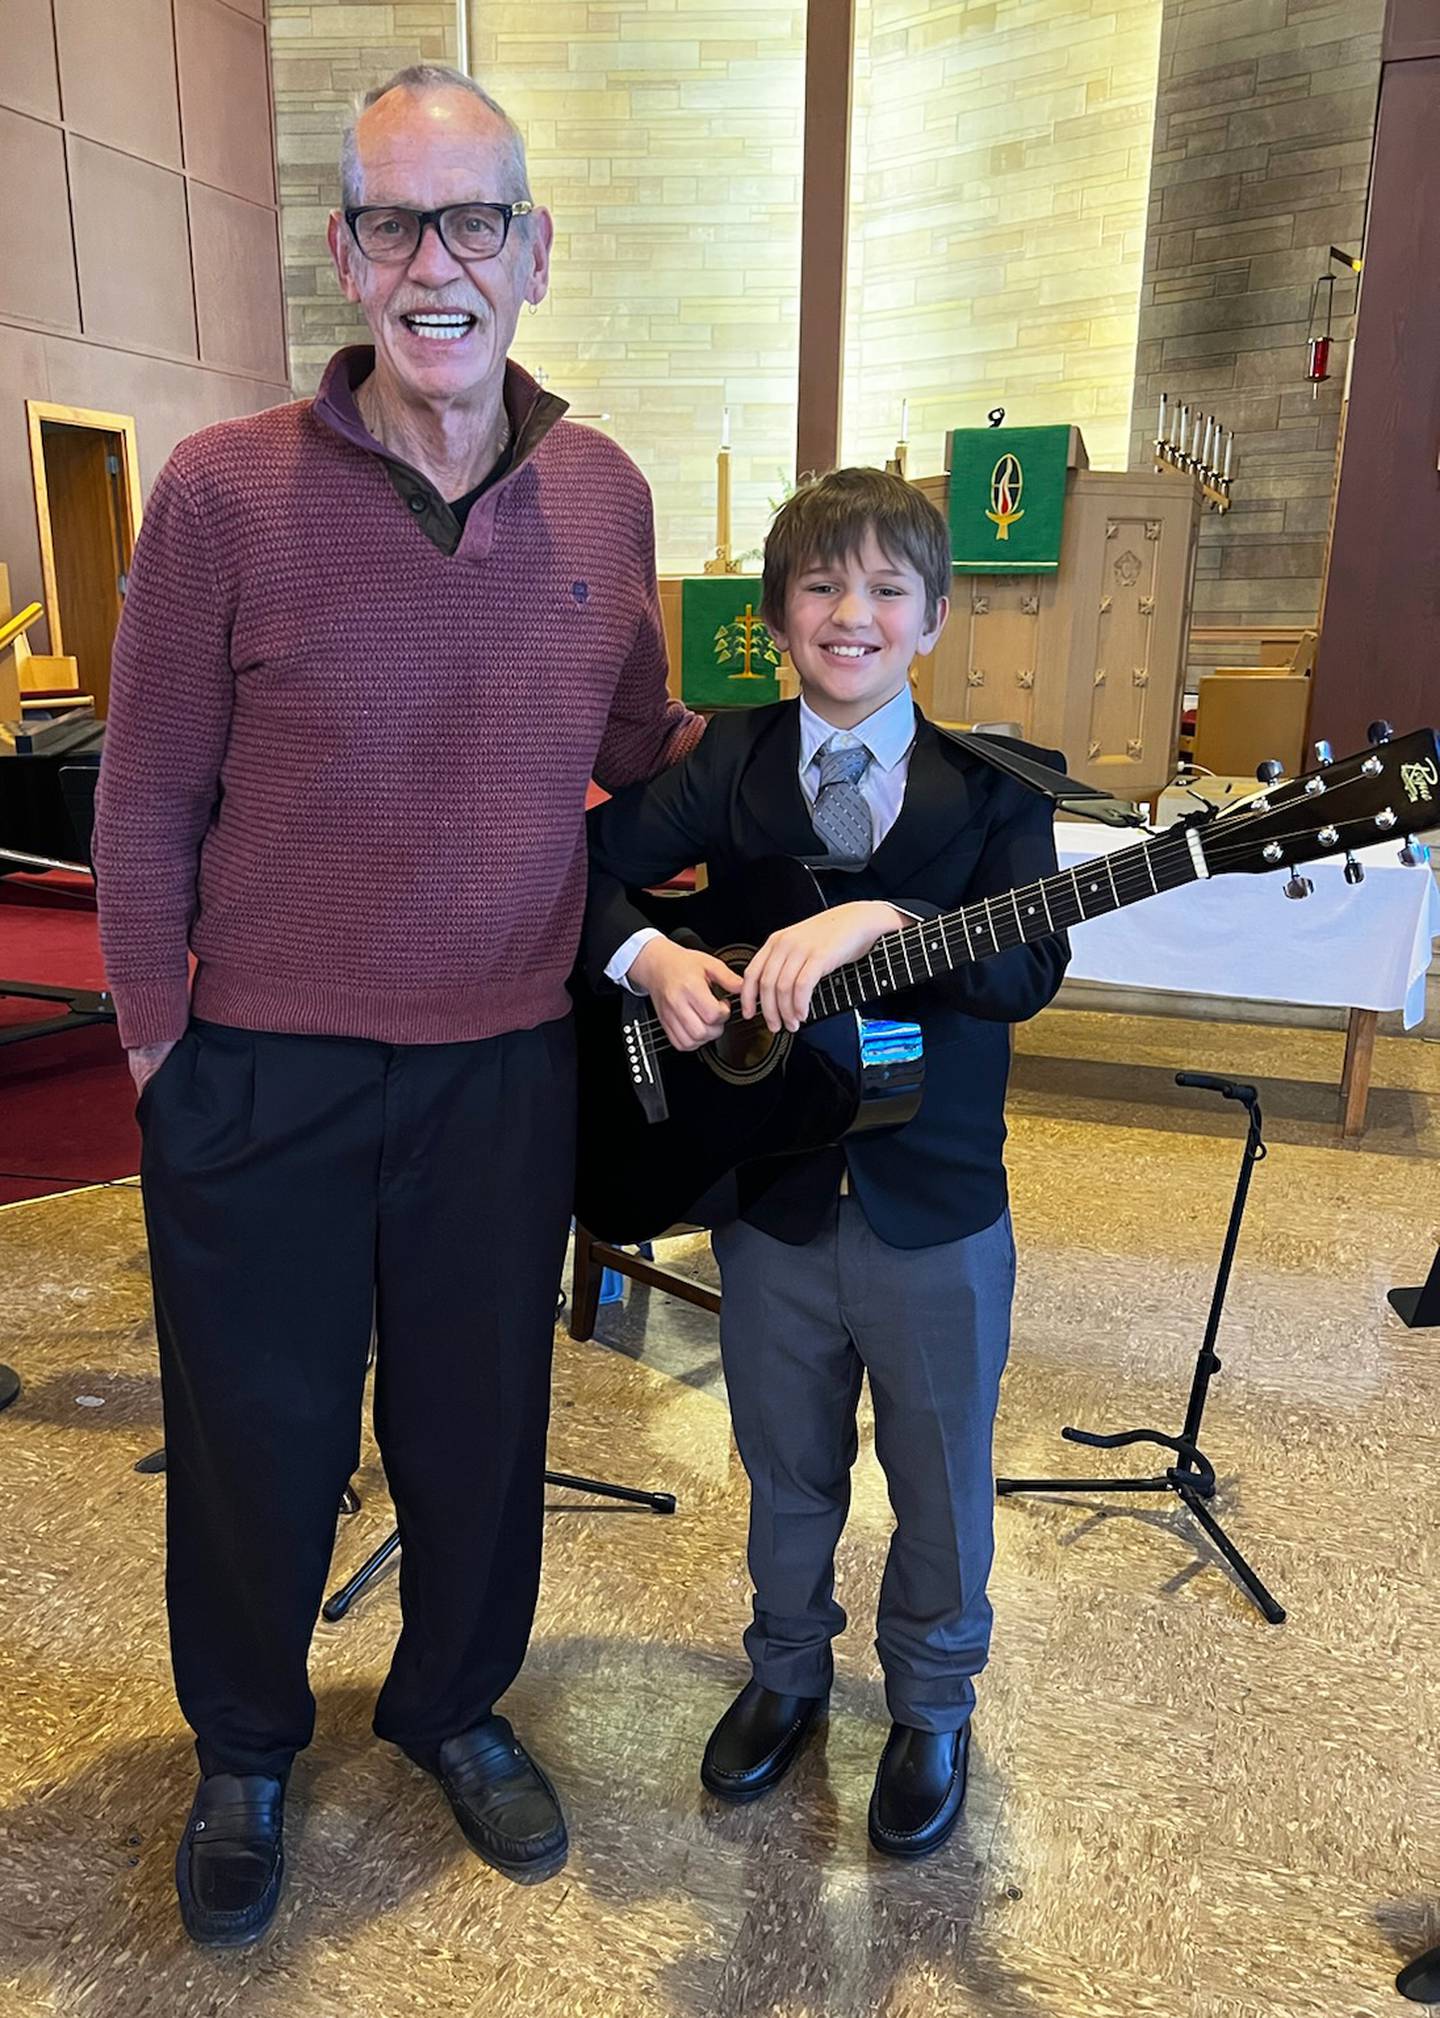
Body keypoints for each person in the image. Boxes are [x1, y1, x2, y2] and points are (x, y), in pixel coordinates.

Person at [94, 65, 702, 1945]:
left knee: (473, 1421)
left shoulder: (604, 492)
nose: (432, 262)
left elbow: (648, 752)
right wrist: (154, 1055)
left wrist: (845, 771)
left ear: (533, 250)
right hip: (258, 1070)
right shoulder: (223, 494)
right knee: (259, 1426)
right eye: (389, 222)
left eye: (471, 222)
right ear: (345, 254)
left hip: (500, 1069)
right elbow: (144, 794)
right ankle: (247, 1743)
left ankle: (450, 1700)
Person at [584, 467, 1069, 1858]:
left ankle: (932, 1705)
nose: (850, 614)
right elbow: (588, 869)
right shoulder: (729, 766)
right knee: (785, 1458)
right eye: (819, 587)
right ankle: (787, 1669)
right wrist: (656, 952)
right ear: (777, 618)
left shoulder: (990, 794)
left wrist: (884, 917)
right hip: (775, 1196)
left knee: (940, 1472)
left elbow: (1029, 964)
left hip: (936, 1205)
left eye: (884, 591)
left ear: (930, 620)